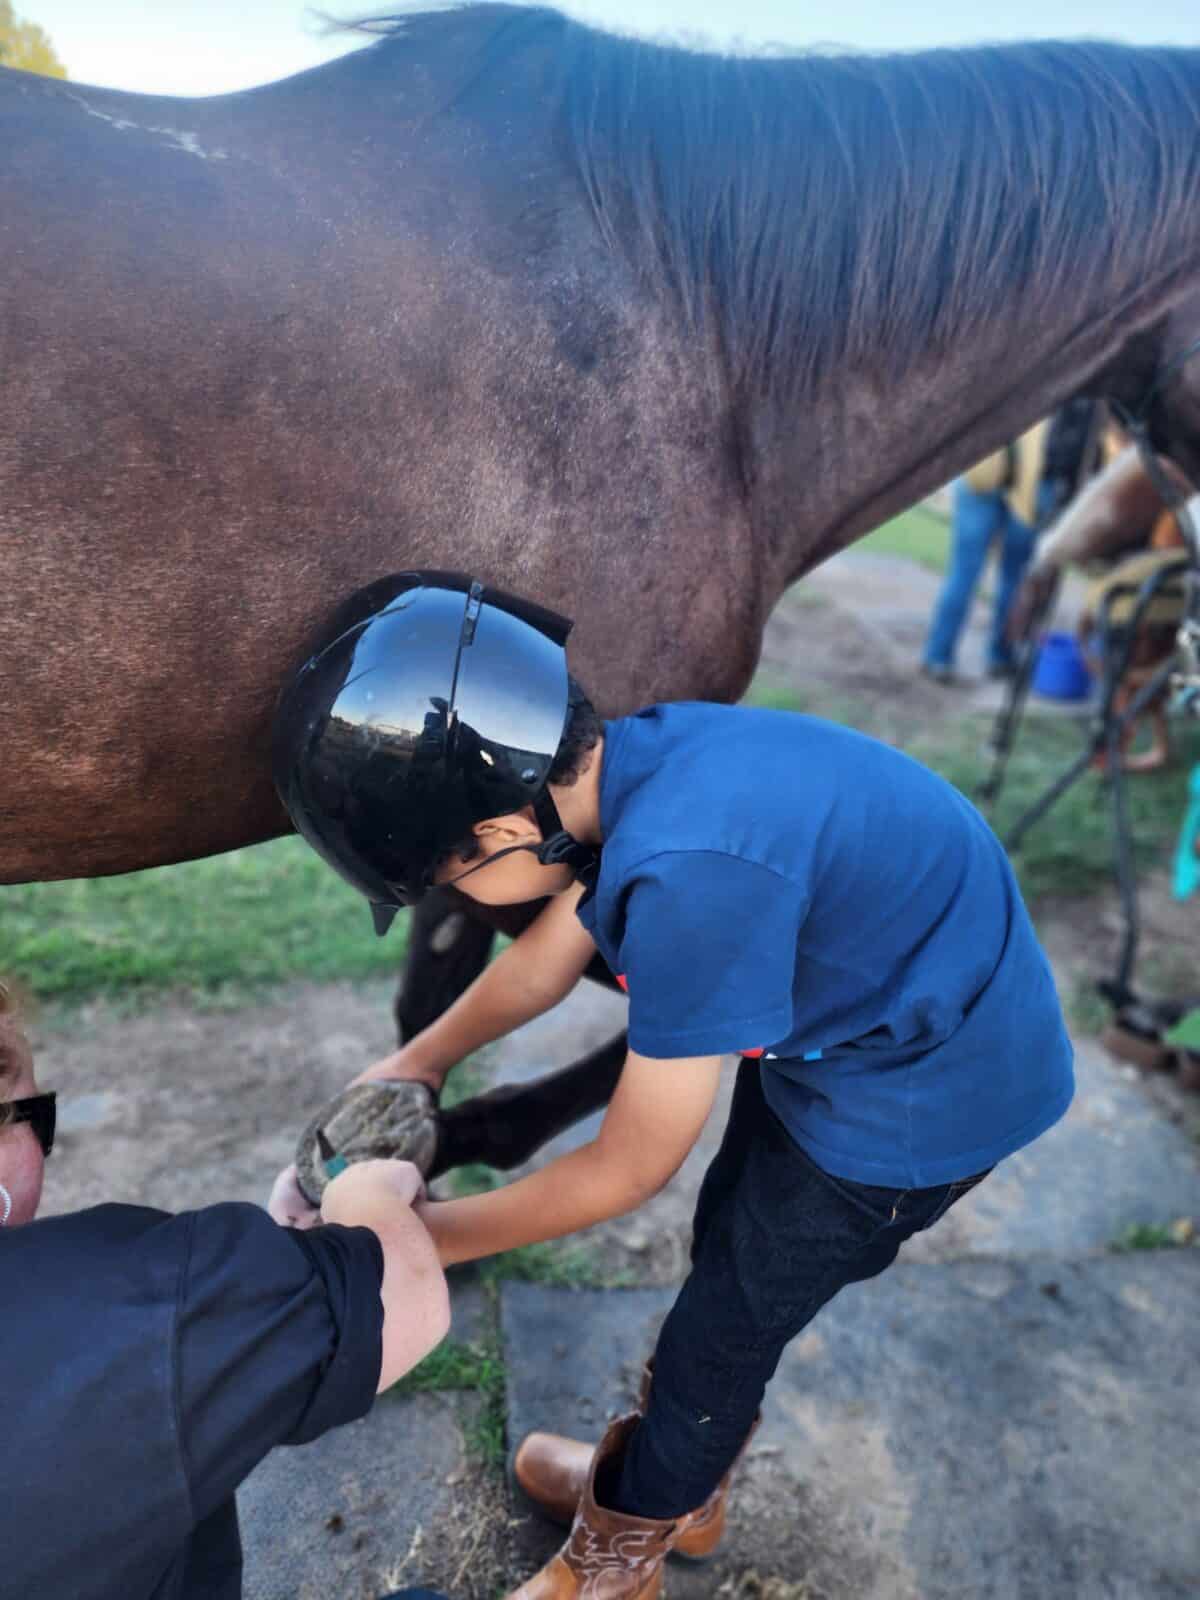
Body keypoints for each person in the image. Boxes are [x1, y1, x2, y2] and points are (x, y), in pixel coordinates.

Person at [269, 571, 1075, 1600]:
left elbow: (629, 1165)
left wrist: (417, 1238)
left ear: (505, 834)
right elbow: (545, 959)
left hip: (926, 1093)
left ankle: (623, 1553)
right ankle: (676, 1489)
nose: (453, 899)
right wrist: (417, 1058)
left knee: (729, 1319)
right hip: (864, 1034)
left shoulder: (691, 876)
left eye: (446, 878)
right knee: (730, 1246)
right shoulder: (627, 770)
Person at [0, 990, 451, 1600]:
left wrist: (279, 1271)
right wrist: (365, 1198)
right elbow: (409, 1302)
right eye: (35, 1115)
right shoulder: (139, 1302)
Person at [922, 400, 1100, 682]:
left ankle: (941, 657)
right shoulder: (1060, 392)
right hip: (1011, 485)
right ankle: (992, 657)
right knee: (1002, 579)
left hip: (989, 479)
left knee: (974, 576)